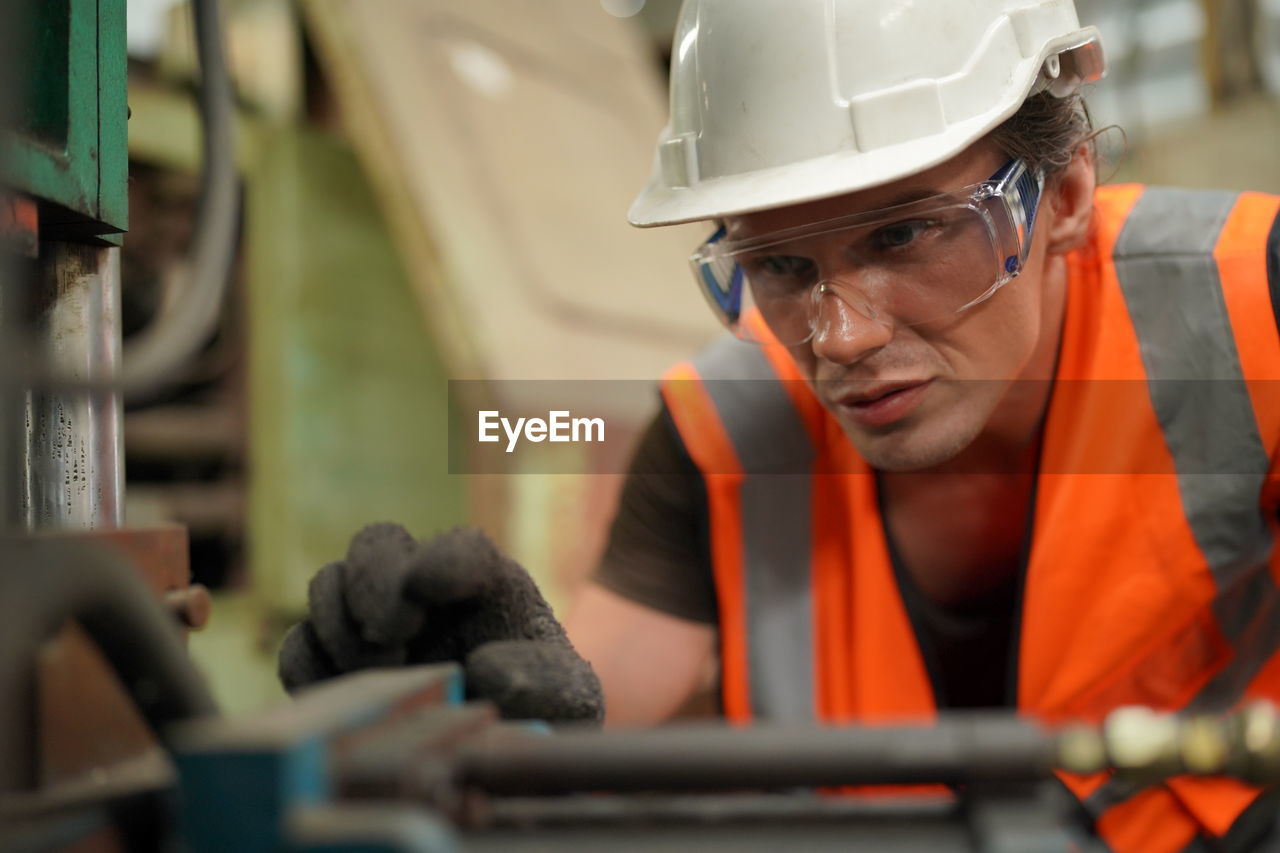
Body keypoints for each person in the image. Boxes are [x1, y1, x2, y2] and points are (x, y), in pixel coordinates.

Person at [279, 1, 1280, 850]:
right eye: (780, 267)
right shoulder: (720, 437)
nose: (837, 337)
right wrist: (466, 719)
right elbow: (582, 710)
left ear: (1060, 196)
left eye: (903, 233)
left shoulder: (1252, 312)